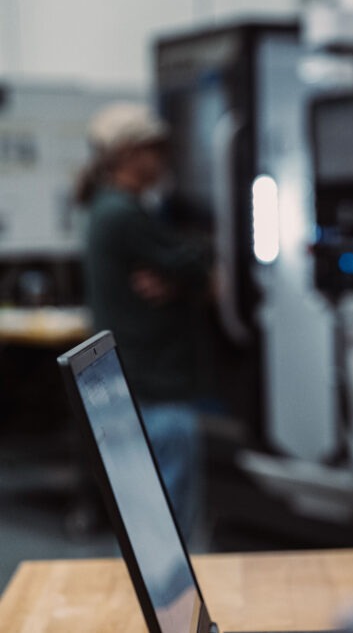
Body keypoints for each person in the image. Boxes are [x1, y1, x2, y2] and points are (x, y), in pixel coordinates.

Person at [75, 102, 213, 537]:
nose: (162, 160)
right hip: (154, 390)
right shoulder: (124, 214)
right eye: (155, 150)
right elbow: (196, 263)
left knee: (148, 526)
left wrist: (177, 282)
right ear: (130, 153)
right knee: (163, 530)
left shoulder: (107, 209)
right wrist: (195, 273)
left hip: (133, 388)